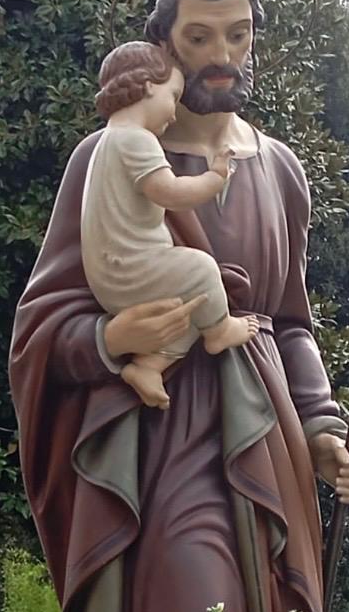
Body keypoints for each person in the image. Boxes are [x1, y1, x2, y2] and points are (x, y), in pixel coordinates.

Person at [10, 0, 349, 612]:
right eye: (199, 36)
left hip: (267, 438)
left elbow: (289, 321)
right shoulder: (108, 155)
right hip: (165, 434)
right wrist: (106, 341)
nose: (220, 55)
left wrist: (322, 429)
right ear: (164, 44)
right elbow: (43, 319)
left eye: (236, 36)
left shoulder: (277, 169)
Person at [81, 39, 257, 409]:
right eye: (173, 97)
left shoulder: (104, 144)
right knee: (201, 269)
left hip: (113, 275)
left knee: (189, 303)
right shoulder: (136, 140)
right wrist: (215, 178)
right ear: (148, 86)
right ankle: (220, 330)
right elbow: (171, 193)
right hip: (132, 270)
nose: (175, 114)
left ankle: (149, 366)